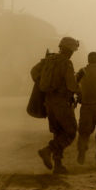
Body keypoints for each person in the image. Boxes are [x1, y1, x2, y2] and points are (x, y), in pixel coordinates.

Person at [30, 37, 80, 174]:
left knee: (58, 133)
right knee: (70, 132)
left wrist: (42, 84)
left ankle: (58, 165)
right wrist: (79, 85)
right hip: (62, 103)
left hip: (49, 103)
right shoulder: (66, 64)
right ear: (69, 50)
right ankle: (48, 150)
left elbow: (34, 72)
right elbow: (71, 86)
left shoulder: (48, 60)